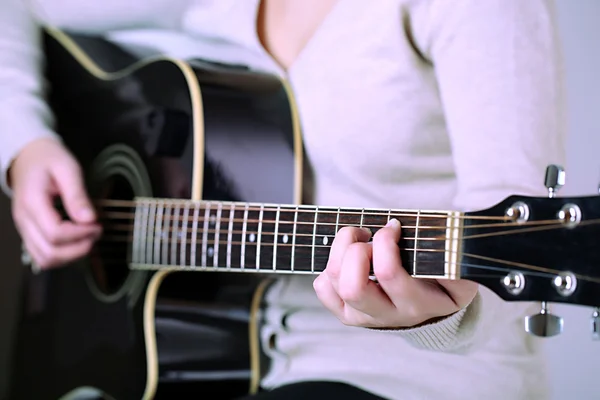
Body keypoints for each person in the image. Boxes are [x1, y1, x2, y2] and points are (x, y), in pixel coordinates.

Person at [1, 0, 566, 399]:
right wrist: (25, 143)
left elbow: (518, 263)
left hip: (407, 379)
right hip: (220, 362)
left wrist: (440, 314)